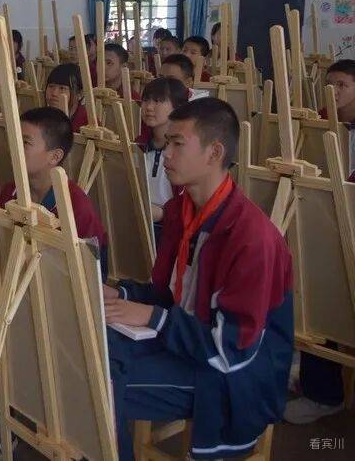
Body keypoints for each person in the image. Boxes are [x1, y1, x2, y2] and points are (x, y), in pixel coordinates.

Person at [103, 98, 293, 461]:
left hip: (233, 375)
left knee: (98, 386)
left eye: (178, 143)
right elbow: (171, 294)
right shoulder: (182, 210)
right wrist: (121, 293)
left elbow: (232, 348)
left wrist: (154, 318)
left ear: (214, 152)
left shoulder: (251, 238)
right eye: (167, 143)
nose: (166, 153)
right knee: (89, 351)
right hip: (189, 343)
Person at [0, 107, 107, 453]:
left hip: (51, 304)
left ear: (55, 156)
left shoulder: (75, 208)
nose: (14, 147)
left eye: (25, 142)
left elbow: (80, 287)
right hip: (6, 288)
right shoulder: (10, 192)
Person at [285, 59, 355, 424]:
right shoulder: (321, 124)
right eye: (330, 84)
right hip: (327, 223)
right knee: (311, 287)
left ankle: (324, 391)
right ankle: (321, 389)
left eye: (342, 85)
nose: (333, 91)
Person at [136, 78, 189, 237]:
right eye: (146, 100)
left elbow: (193, 204)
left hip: (171, 229)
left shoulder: (186, 150)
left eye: (158, 101)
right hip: (137, 221)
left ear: (177, 107)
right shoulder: (138, 145)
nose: (148, 107)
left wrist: (163, 214)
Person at [45, 63, 88, 132]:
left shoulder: (88, 123)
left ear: (80, 94)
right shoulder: (42, 117)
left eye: (62, 88)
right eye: (51, 86)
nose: (54, 93)